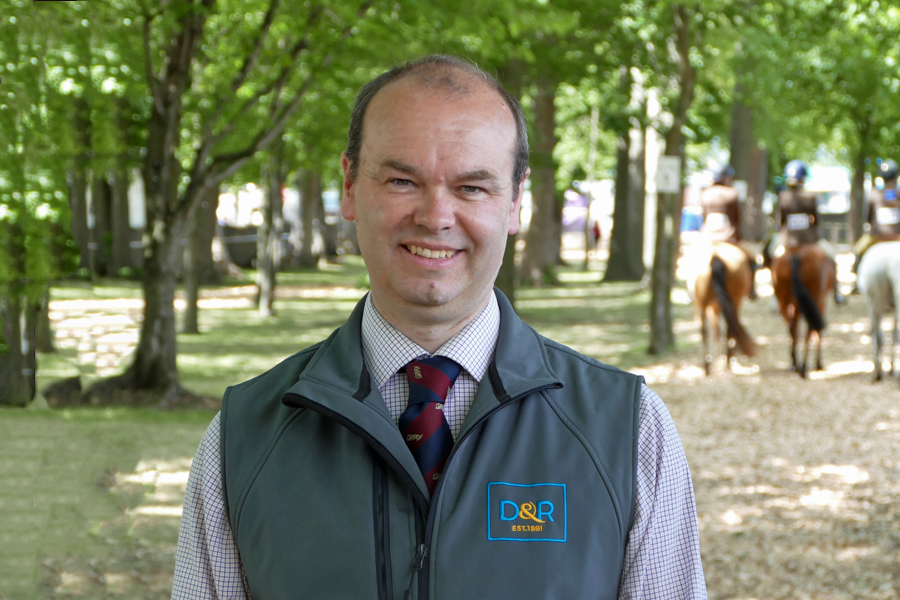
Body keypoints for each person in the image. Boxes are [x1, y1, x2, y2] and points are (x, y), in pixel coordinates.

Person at [171, 55, 707, 600]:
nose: (435, 216)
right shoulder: (242, 440)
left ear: (516, 201)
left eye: (473, 188)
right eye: (403, 180)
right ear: (351, 186)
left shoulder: (629, 432)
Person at [776, 160, 844, 304]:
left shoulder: (783, 196)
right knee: (832, 257)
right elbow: (818, 221)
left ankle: (774, 297)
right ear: (804, 178)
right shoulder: (811, 196)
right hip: (810, 240)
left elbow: (780, 223)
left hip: (788, 241)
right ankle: (836, 292)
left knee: (772, 258)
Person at [700, 163, 759, 299]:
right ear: (726, 178)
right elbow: (737, 219)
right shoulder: (732, 193)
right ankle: (752, 289)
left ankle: (691, 291)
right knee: (753, 258)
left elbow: (703, 217)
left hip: (708, 240)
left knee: (690, 261)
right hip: (729, 239)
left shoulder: (705, 194)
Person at [851, 159, 900, 291]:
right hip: (898, 236)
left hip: (877, 236)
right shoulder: (899, 193)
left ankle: (857, 281)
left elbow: (868, 217)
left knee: (858, 251)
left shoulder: (874, 193)